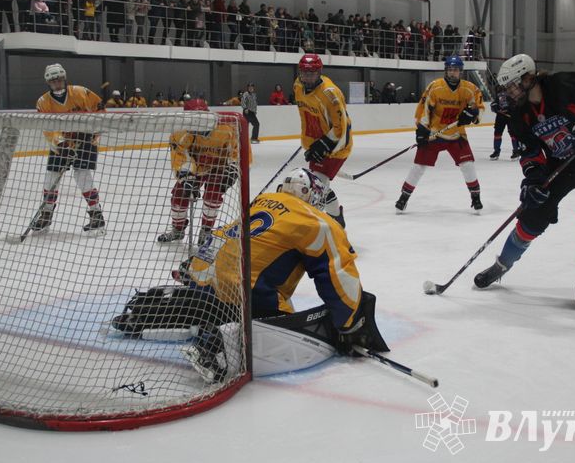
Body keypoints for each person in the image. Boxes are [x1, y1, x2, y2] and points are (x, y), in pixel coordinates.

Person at [111, 168, 388, 383]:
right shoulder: (317, 222)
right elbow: (337, 272)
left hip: (212, 280)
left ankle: (148, 309)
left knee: (213, 300)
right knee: (277, 317)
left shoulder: (260, 202)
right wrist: (350, 323)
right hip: (253, 292)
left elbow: (219, 237)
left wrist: (193, 268)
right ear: (310, 194)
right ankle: (220, 347)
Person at [474, 53, 575, 305]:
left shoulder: (563, 84)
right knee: (532, 216)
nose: (509, 92)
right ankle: (502, 265)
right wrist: (533, 179)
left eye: (512, 85)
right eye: (506, 87)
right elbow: (530, 153)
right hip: (561, 164)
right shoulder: (520, 115)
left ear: (529, 78)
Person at [395, 55, 484, 214]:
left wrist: (473, 114)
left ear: (460, 72)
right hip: (435, 133)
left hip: (457, 134)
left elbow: (479, 107)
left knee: (467, 165)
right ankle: (404, 197)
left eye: (455, 70)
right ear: (445, 70)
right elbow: (424, 108)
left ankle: (475, 197)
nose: (452, 73)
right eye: (449, 69)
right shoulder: (435, 87)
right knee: (419, 166)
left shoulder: (469, 89)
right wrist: (422, 130)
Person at [156, 98, 249, 245]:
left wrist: (232, 169)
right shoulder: (181, 133)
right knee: (179, 196)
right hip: (196, 169)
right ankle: (178, 230)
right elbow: (180, 156)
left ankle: (206, 230)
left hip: (218, 168)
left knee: (213, 195)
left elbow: (237, 151)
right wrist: (187, 177)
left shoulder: (226, 128)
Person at [31, 64, 107, 234]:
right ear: (48, 82)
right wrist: (61, 144)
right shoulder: (43, 102)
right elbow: (48, 127)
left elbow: (101, 111)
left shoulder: (81, 92)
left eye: (59, 79)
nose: (56, 82)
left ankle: (96, 214)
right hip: (61, 144)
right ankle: (46, 214)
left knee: (82, 175)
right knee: (51, 177)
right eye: (53, 80)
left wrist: (92, 132)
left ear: (64, 78)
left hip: (86, 141)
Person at [292, 53, 352, 227]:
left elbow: (342, 127)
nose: (306, 77)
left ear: (319, 72)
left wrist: (324, 145)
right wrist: (310, 143)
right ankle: (337, 219)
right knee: (318, 187)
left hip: (337, 147)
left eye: (311, 73)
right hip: (317, 144)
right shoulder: (297, 85)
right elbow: (306, 116)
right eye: (303, 72)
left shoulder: (330, 93)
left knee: (316, 188)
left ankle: (329, 223)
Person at [489, 89, 521, 160]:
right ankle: (496, 151)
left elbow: (518, 102)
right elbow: (494, 103)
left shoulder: (513, 90)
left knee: (513, 133)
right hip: (500, 116)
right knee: (497, 133)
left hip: (511, 116)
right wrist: (494, 107)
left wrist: (511, 108)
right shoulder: (498, 90)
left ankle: (516, 151)